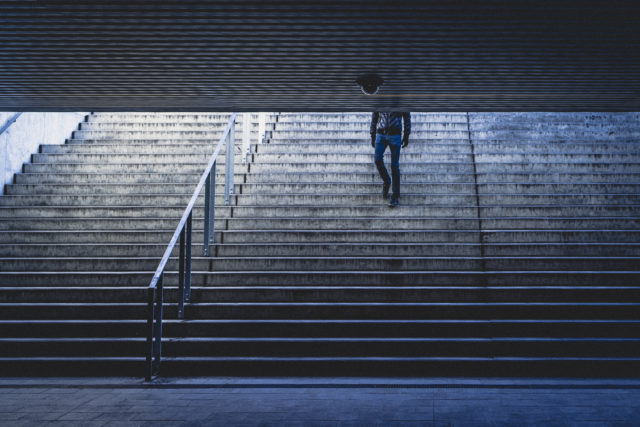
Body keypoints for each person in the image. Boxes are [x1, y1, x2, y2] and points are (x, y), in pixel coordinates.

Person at [370, 112, 411, 207]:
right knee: (377, 159)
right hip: (381, 134)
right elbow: (374, 116)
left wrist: (406, 135)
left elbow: (407, 116)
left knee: (394, 166)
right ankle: (387, 181)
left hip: (395, 135)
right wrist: (372, 134)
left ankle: (395, 196)